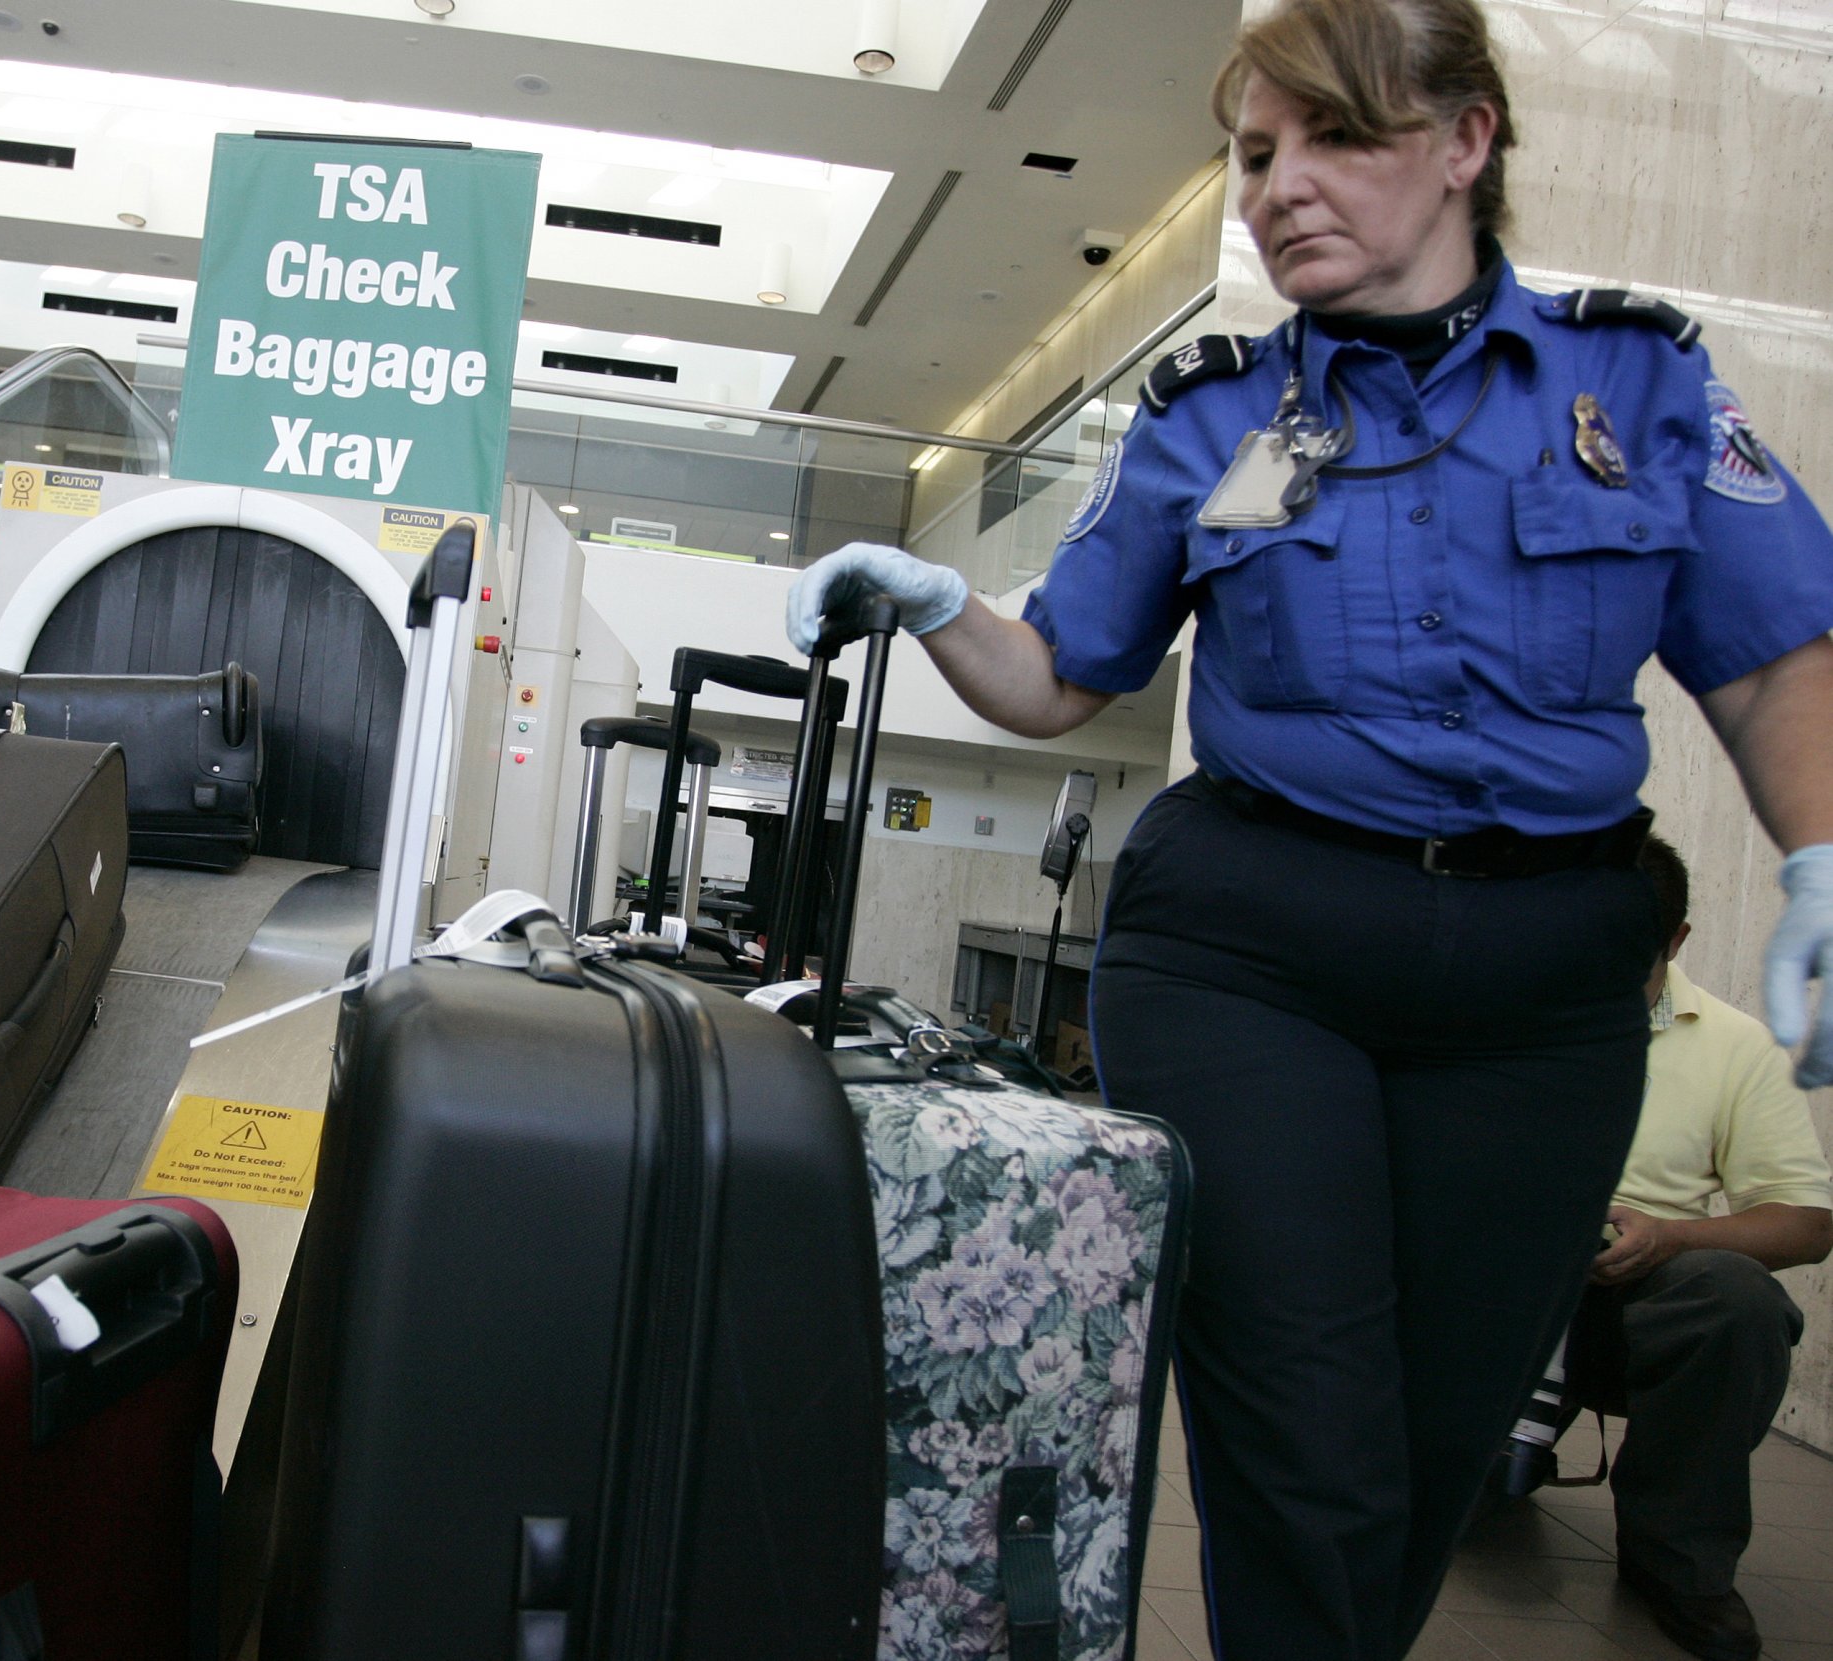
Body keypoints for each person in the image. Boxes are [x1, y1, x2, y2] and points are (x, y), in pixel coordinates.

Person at [784, 0, 1833, 1654]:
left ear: (1466, 141)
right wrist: (939, 609)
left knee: (1436, 1448)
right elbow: (1065, 672)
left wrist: (1820, 861)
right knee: (1304, 1438)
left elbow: (1771, 660)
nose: (1280, 189)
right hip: (1251, 955)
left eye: (1336, 138)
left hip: (1544, 983)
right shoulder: (1214, 412)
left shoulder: (1640, 382)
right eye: (1258, 154)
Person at [1560, 835, 1832, 1661]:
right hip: (1485, 1296)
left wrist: (1669, 1233)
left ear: (1676, 940)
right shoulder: (1486, 1013)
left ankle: (1678, 1559)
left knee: (1736, 1297)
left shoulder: (1734, 1044)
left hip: (1624, 1308)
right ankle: (1449, 1482)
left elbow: (1808, 1220)